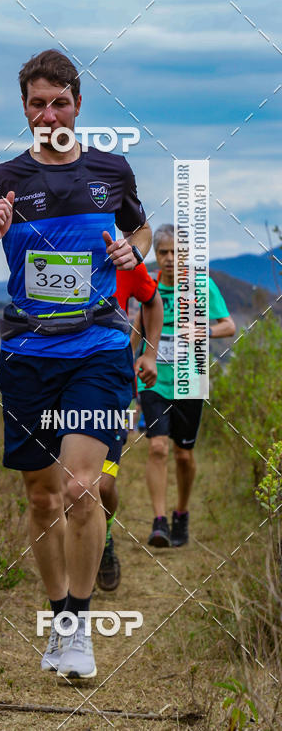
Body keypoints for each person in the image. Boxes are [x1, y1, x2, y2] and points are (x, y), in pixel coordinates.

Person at [0, 49, 152, 679]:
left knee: (82, 489)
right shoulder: (3, 180)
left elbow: (140, 233)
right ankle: (59, 619)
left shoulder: (111, 171)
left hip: (98, 349)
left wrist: (127, 251)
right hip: (28, 355)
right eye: (38, 103)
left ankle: (80, 630)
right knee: (41, 499)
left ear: (78, 105)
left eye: (60, 101)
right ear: (25, 108)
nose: (49, 113)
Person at [137, 224, 236, 548]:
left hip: (190, 382)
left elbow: (229, 326)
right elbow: (136, 331)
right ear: (156, 254)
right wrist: (129, 368)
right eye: (163, 252)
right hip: (153, 381)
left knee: (183, 455)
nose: (169, 258)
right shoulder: (147, 285)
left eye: (176, 253)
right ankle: (159, 521)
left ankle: (181, 512)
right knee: (157, 447)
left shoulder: (202, 286)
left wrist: (202, 330)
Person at [96, 265, 163, 591]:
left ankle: (104, 535)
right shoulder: (46, 239)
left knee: (103, 486)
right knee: (66, 489)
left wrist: (149, 355)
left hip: (109, 384)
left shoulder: (122, 258)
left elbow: (152, 301)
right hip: (55, 380)